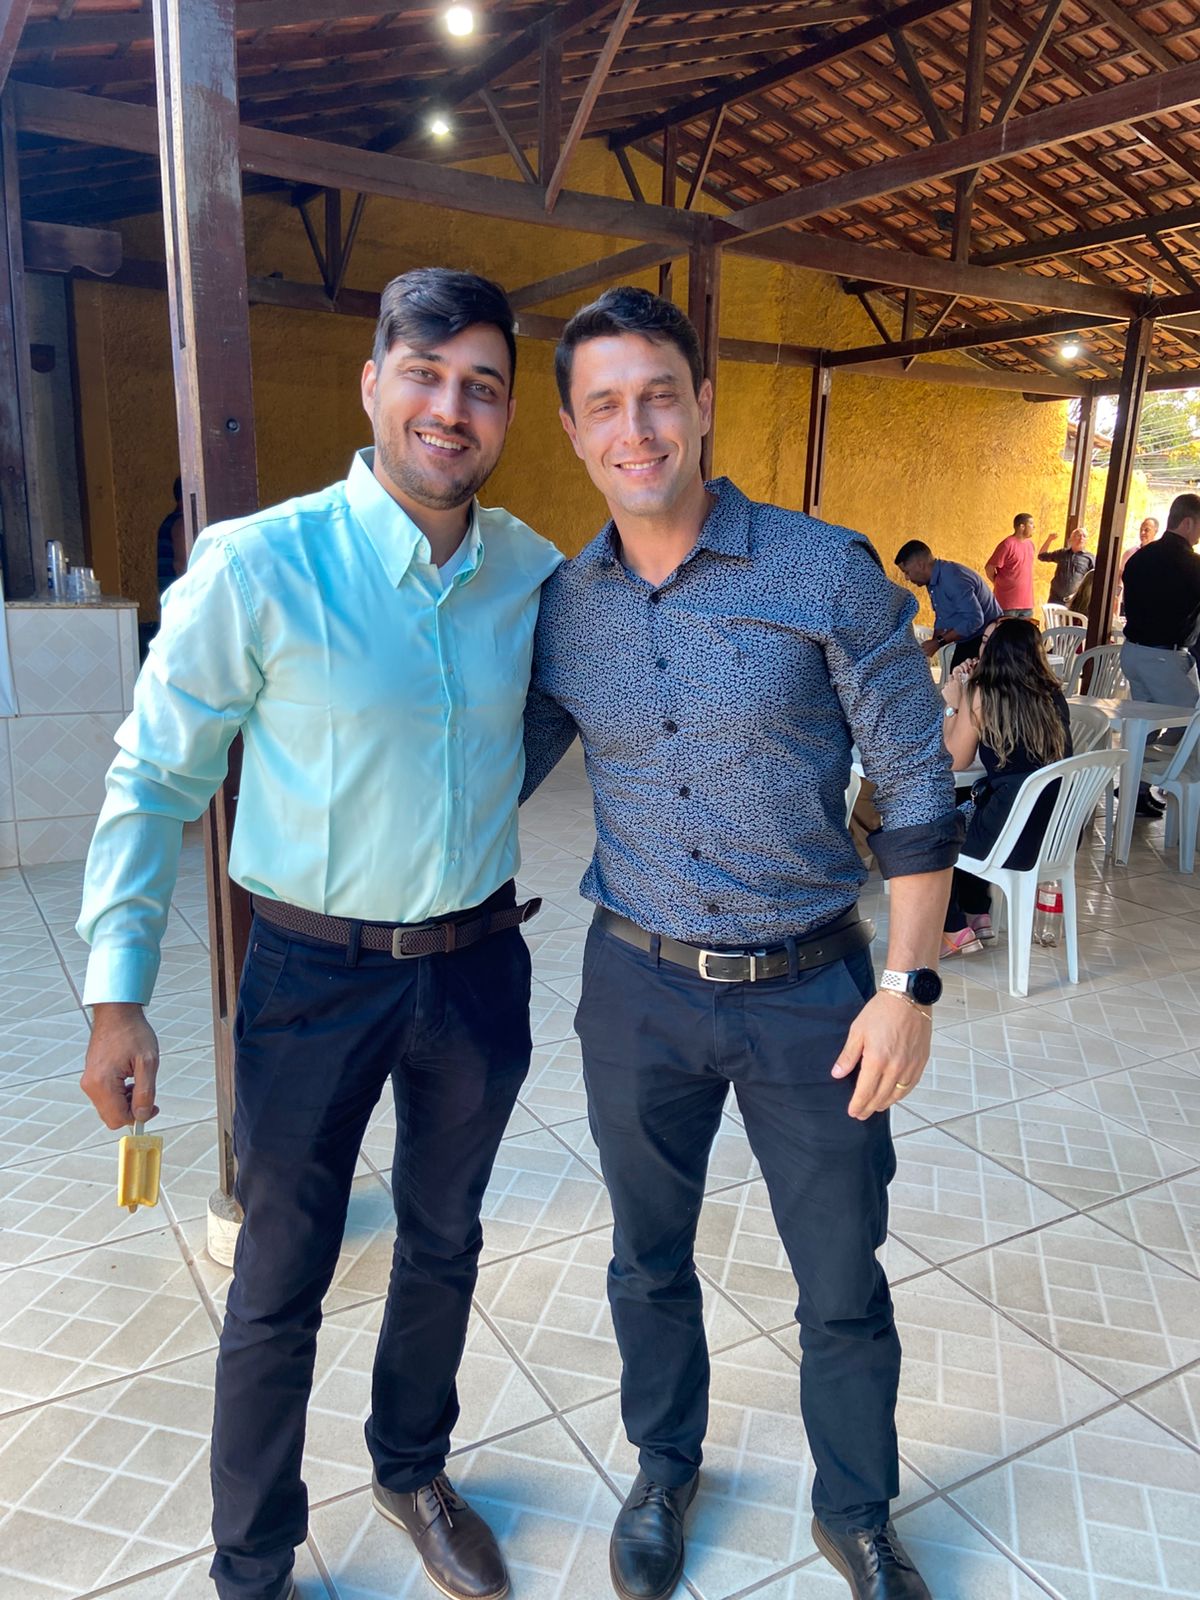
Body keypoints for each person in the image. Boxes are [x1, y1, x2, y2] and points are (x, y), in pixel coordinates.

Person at [76, 269, 563, 1600]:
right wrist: (118, 994)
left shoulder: (530, 571)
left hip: (478, 967)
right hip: (309, 978)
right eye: (424, 373)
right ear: (371, 384)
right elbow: (153, 779)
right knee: (280, 1278)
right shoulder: (260, 564)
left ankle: (412, 1469)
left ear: (507, 412)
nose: (450, 407)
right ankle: (252, 1563)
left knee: (445, 1239)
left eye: (481, 385)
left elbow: (567, 709)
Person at [524, 287, 960, 1600]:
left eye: (658, 395)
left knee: (840, 1275)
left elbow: (917, 783)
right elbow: (482, 774)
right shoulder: (564, 607)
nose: (636, 428)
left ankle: (858, 1511)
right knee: (645, 1255)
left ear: (703, 403)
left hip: (811, 992)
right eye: (605, 405)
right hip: (635, 984)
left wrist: (907, 985)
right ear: (573, 430)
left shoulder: (823, 571)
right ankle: (665, 1468)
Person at [939, 619, 1072, 954]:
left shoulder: (984, 693)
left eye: (986, 642)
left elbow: (954, 759)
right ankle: (977, 913)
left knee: (933, 829)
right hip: (1058, 832)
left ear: (995, 650)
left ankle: (952, 928)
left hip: (1011, 833)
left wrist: (955, 703)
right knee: (966, 806)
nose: (979, 649)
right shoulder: (1052, 694)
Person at [1121, 492, 1200, 790]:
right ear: (1188, 522)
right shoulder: (1191, 565)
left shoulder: (1139, 558)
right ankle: (1167, 782)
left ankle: (1134, 788)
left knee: (1146, 724)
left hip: (1132, 652)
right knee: (1191, 721)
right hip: (1163, 657)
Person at [894, 538, 1002, 666]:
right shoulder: (933, 581)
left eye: (906, 572)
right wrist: (932, 645)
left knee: (960, 675)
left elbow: (975, 620)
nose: (906, 578)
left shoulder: (952, 578)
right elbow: (943, 618)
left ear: (920, 565)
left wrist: (938, 642)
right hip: (971, 638)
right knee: (955, 674)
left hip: (989, 639)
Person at [985, 511, 1036, 616]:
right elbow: (989, 567)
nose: (1033, 527)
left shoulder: (1030, 545)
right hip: (1007, 603)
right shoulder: (1007, 544)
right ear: (1022, 526)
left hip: (1027, 604)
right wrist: (997, 582)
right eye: (1031, 524)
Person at [1037, 525, 1093, 608]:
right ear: (1071, 539)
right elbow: (1041, 556)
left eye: (1084, 536)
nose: (1081, 538)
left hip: (1075, 601)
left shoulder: (1090, 558)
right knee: (1051, 617)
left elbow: (1092, 580)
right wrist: (1049, 539)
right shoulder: (1062, 553)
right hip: (1056, 599)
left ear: (1086, 540)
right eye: (1078, 535)